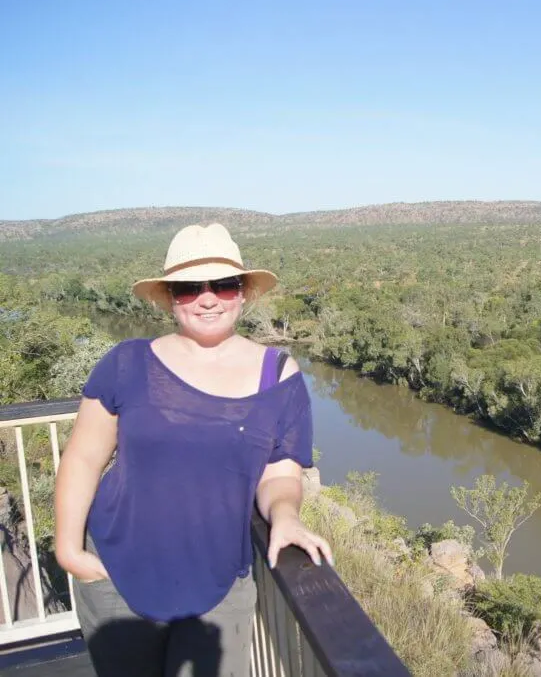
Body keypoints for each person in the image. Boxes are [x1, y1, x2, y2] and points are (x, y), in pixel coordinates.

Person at [54, 223, 333, 677]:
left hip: (218, 582)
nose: (208, 298)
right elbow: (83, 458)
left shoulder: (277, 374)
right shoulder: (127, 363)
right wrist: (67, 551)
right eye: (189, 287)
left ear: (244, 294)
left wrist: (285, 517)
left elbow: (280, 470)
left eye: (224, 285)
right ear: (169, 297)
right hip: (116, 574)